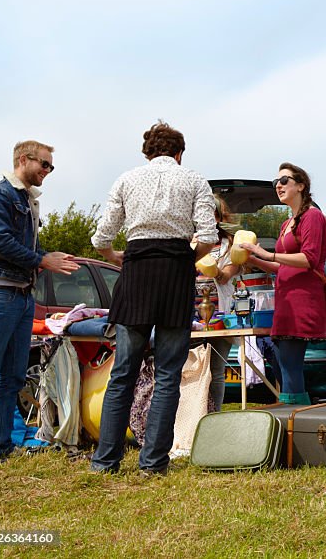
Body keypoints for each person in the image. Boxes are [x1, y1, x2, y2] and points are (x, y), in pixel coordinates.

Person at [90, 122, 217, 475]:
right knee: (167, 374)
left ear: (147, 153)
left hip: (136, 273)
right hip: (175, 274)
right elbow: (207, 236)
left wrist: (116, 257)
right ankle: (153, 463)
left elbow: (101, 237)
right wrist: (185, 261)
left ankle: (105, 461)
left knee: (122, 373)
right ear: (179, 153)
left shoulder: (126, 180)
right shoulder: (194, 179)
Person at [0, 140, 80, 459]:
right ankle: (1, 444)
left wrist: (45, 255)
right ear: (23, 160)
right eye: (44, 164)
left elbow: (18, 246)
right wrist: (42, 259)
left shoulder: (26, 200)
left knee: (12, 377)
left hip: (20, 297)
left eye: (51, 166)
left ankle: (1, 447)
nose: (48, 171)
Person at [238, 163, 326, 406]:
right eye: (275, 182)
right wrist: (255, 260)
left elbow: (308, 260)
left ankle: (295, 423)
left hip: (304, 300)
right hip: (285, 301)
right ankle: (294, 416)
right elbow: (284, 267)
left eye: (284, 180)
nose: (278, 185)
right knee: (282, 362)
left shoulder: (313, 217)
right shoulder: (286, 224)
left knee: (290, 364)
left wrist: (267, 255)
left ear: (301, 185)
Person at [200, 194, 241, 411]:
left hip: (220, 316)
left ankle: (214, 414)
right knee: (193, 369)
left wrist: (209, 265)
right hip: (191, 317)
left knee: (216, 370)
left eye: (210, 214)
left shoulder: (231, 246)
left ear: (218, 217)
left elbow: (225, 276)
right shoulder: (190, 243)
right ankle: (192, 417)